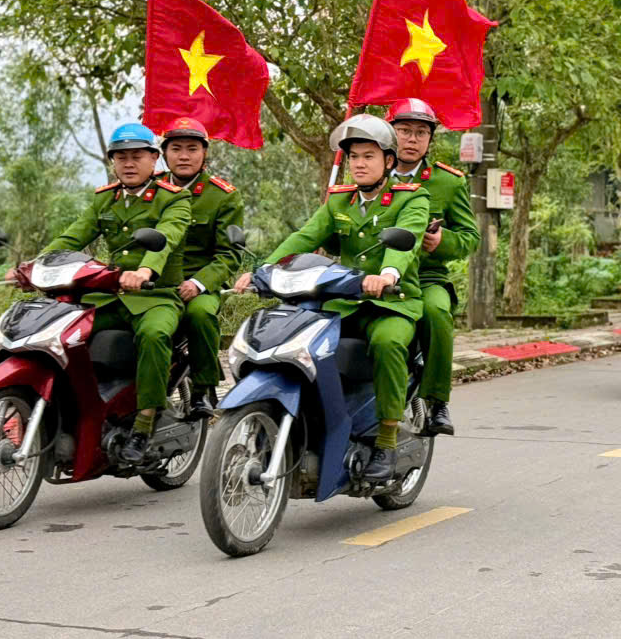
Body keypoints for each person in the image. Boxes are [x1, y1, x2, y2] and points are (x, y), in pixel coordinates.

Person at [234, 115, 430, 482]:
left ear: (389, 161)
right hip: (344, 300)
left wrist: (387, 275)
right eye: (354, 156)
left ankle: (386, 441)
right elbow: (304, 238)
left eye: (369, 156)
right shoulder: (339, 203)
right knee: (305, 341)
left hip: (392, 300)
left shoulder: (411, 199)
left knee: (387, 343)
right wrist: (265, 268)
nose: (359, 163)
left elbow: (407, 241)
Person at [22, 123, 191, 462]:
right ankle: (73, 408)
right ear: (112, 161)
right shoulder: (105, 199)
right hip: (110, 294)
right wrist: (35, 266)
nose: (129, 163)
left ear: (154, 159)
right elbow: (73, 237)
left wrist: (144, 271)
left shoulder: (174, 198)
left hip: (156, 294)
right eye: (121, 157)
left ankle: (145, 421)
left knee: (155, 334)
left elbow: (167, 236)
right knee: (64, 331)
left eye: (137, 156)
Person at [384, 98, 479, 437]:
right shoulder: (369, 173)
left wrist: (443, 242)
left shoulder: (447, 182)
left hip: (426, 277)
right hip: (374, 276)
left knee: (437, 312)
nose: (412, 139)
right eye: (404, 130)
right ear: (389, 134)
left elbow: (470, 237)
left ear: (430, 139)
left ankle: (437, 400)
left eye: (421, 132)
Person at [159, 117, 244, 420]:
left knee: (200, 314)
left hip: (200, 284)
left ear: (204, 154)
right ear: (164, 153)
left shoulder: (222, 195)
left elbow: (230, 253)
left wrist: (198, 282)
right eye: (176, 148)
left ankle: (201, 391)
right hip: (154, 283)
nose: (184, 156)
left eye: (192, 149)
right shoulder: (150, 189)